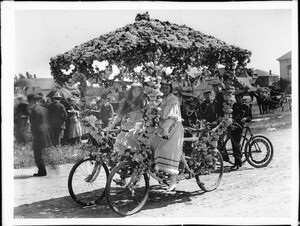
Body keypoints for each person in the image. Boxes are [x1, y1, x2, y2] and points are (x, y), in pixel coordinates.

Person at [148, 81, 184, 192]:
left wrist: (165, 130)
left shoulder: (173, 99)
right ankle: (158, 170)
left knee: (168, 149)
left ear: (170, 88)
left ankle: (173, 181)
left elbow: (172, 117)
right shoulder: (159, 99)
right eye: (163, 87)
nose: (165, 89)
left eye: (167, 87)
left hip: (173, 126)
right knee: (150, 142)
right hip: (163, 126)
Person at [108, 82, 145, 154]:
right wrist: (111, 126)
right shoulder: (127, 101)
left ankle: (134, 156)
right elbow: (120, 115)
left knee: (130, 136)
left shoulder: (142, 101)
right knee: (120, 137)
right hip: (129, 124)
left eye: (138, 90)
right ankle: (125, 157)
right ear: (131, 91)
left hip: (139, 125)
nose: (136, 92)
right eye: (135, 90)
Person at [27, 93, 53, 176]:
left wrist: (32, 135)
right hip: (45, 132)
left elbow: (34, 124)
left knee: (37, 153)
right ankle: (42, 170)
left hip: (39, 134)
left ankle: (42, 171)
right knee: (40, 152)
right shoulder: (42, 108)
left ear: (32, 101)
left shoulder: (35, 110)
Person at [231, 89, 253, 169]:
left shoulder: (246, 107)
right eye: (236, 98)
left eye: (239, 98)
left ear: (242, 97)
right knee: (234, 144)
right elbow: (232, 115)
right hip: (234, 126)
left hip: (240, 127)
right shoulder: (234, 106)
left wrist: (245, 118)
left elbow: (250, 116)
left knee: (237, 143)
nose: (237, 99)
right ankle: (236, 162)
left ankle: (238, 162)